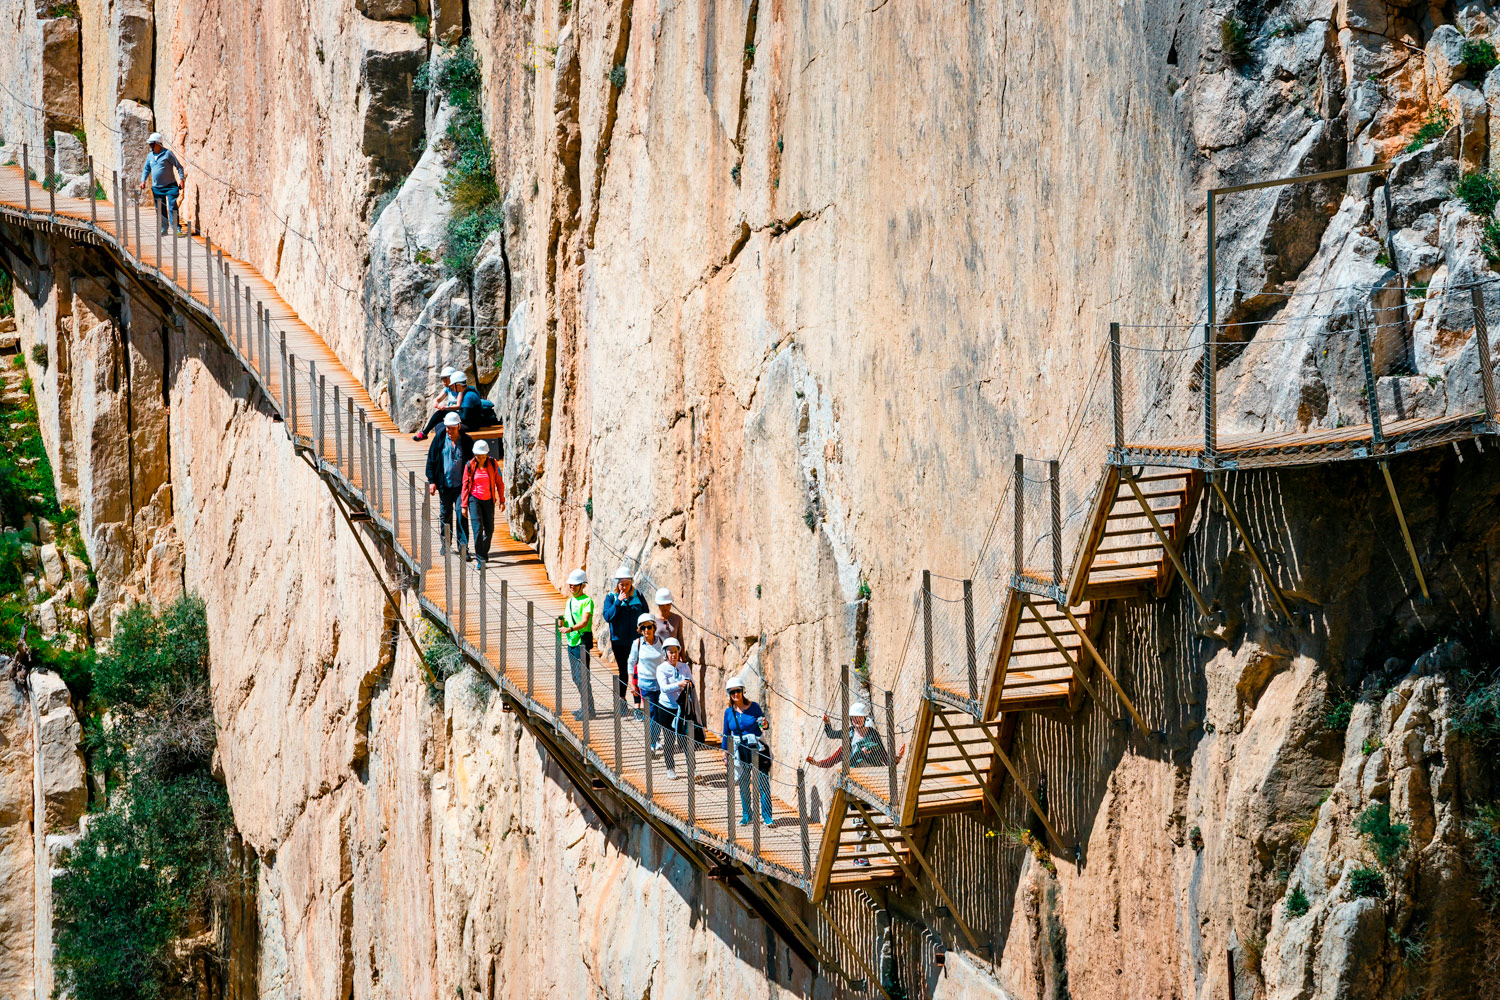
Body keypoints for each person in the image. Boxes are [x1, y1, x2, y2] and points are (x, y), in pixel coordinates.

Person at [722, 676, 774, 826]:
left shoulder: (754, 707)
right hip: (740, 750)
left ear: (742, 691)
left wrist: (764, 723)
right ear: (729, 694)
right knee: (744, 783)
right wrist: (724, 752)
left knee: (763, 782)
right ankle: (747, 815)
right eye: (732, 692)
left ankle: (767, 816)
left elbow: (765, 725)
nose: (736, 694)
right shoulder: (728, 712)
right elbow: (726, 733)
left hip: (757, 748)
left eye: (738, 691)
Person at [424, 412, 473, 556]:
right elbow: (431, 461)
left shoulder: (466, 441)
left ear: (458, 426)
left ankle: (463, 548)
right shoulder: (439, 439)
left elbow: (473, 464)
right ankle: (445, 545)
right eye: (447, 428)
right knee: (445, 516)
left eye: (452, 428)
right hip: (444, 485)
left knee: (461, 514)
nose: (449, 431)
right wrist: (432, 481)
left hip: (461, 487)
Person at [602, 566, 649, 707]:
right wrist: (618, 602)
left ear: (631, 583)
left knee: (636, 670)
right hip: (619, 641)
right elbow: (607, 616)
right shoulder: (611, 597)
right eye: (622, 584)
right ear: (617, 584)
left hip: (636, 640)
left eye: (627, 584)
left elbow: (645, 614)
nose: (624, 587)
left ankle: (637, 703)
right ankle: (621, 699)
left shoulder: (638, 596)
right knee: (623, 670)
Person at [805, 703, 892, 769]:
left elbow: (883, 754)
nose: (856, 720)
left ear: (865, 718)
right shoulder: (849, 733)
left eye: (859, 717)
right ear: (851, 719)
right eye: (854, 717)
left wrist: (896, 759)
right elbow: (831, 735)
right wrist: (827, 722)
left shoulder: (873, 734)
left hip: (871, 768)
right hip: (855, 770)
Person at [560, 568, 597, 720]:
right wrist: (563, 622)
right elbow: (570, 620)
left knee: (582, 676)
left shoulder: (587, 601)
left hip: (582, 641)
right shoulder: (569, 601)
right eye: (570, 585)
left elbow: (585, 621)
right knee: (576, 676)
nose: (572, 587)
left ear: (582, 585)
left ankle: (588, 710)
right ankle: (586, 707)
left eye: (575, 585)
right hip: (572, 641)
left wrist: (569, 628)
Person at [460, 439, 501, 569]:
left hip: (489, 500)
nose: (481, 459)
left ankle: (483, 551)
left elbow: (499, 482)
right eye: (478, 456)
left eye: (483, 456)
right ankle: (480, 559)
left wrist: (502, 500)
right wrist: (464, 505)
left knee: (489, 530)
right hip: (474, 500)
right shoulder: (469, 466)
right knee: (477, 530)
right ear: (474, 455)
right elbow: (465, 486)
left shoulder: (493, 464)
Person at [654, 638, 692, 778]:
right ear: (665, 653)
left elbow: (691, 681)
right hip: (666, 707)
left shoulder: (684, 667)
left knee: (686, 738)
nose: (673, 655)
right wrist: (680, 684)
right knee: (669, 738)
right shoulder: (661, 668)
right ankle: (670, 768)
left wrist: (688, 684)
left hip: (681, 707)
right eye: (670, 652)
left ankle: (691, 768)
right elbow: (664, 688)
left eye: (675, 652)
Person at [627, 614, 665, 749]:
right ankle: (652, 742)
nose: (646, 630)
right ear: (640, 629)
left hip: (661, 683)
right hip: (645, 684)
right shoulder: (637, 644)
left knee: (659, 713)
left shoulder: (661, 641)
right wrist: (631, 681)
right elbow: (631, 662)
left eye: (649, 627)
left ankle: (654, 739)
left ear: (654, 627)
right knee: (653, 712)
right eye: (643, 628)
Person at [138, 132, 186, 236]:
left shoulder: (168, 154)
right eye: (150, 144)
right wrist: (143, 180)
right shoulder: (150, 156)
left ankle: (177, 229)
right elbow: (146, 169)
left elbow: (179, 166)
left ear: (158, 144)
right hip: (157, 188)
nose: (150, 146)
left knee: (172, 206)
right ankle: (164, 229)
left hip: (170, 186)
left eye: (151, 144)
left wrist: (182, 179)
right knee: (160, 208)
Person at [413, 367, 462, 441]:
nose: (444, 383)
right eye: (443, 380)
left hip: (457, 413)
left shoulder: (459, 389)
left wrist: (445, 408)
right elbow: (438, 399)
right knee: (438, 422)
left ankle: (424, 433)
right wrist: (436, 403)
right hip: (450, 411)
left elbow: (459, 406)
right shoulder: (448, 389)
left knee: (440, 414)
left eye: (446, 380)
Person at [654, 588, 689, 662]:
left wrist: (683, 659)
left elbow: (680, 639)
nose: (665, 607)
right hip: (657, 658)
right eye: (662, 605)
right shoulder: (652, 620)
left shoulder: (677, 619)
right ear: (658, 604)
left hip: (673, 658)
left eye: (668, 604)